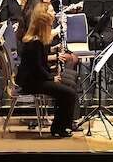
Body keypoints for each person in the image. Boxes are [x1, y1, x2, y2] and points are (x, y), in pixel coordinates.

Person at [16, 8, 77, 137]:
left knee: (68, 85)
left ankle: (62, 125)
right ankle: (61, 127)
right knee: (69, 93)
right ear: (43, 27)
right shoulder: (34, 43)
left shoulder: (37, 41)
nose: (51, 28)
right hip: (32, 83)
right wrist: (52, 78)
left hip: (36, 79)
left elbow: (40, 63)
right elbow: (37, 68)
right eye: (49, 25)